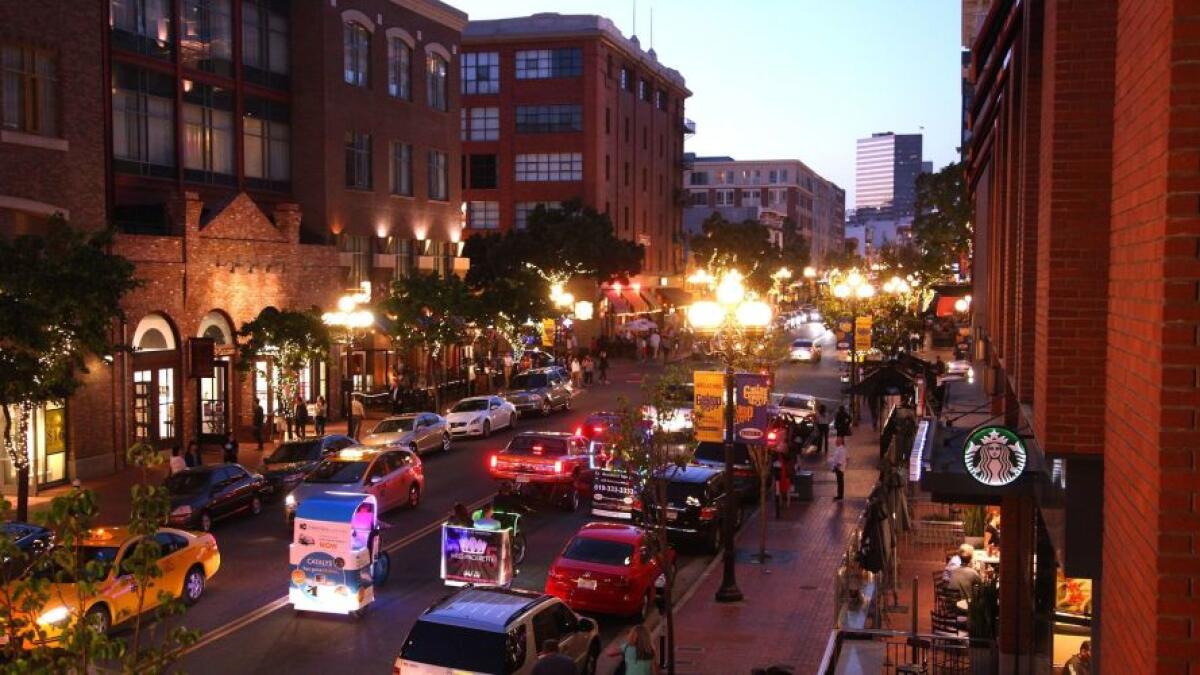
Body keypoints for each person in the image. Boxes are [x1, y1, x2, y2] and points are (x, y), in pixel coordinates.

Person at [829, 436, 847, 500]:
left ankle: (840, 496)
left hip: (839, 468)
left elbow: (841, 460)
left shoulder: (841, 450)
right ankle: (839, 495)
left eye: (837, 440)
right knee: (839, 482)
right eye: (836, 440)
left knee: (840, 482)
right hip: (838, 468)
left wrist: (835, 467)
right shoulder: (838, 448)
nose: (836, 441)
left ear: (841, 442)